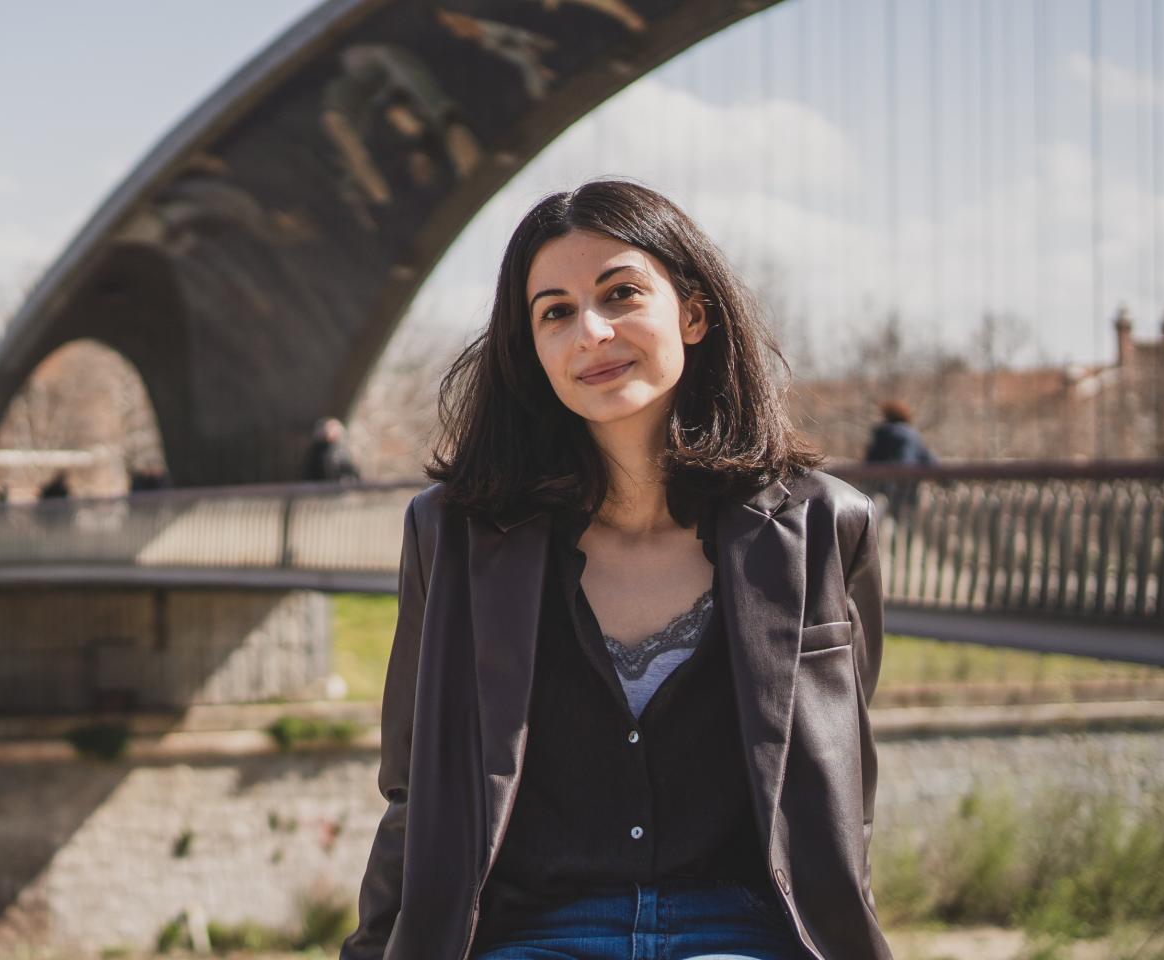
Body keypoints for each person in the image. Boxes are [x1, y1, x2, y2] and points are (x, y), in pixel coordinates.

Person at [341, 181, 890, 960]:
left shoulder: (826, 529)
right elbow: (414, 786)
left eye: (620, 293)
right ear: (533, 350)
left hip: (742, 933)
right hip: (531, 934)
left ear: (693, 314)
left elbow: (840, 786)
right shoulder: (453, 536)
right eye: (555, 312)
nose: (591, 332)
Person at [862, 400, 936, 517]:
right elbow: (930, 461)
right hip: (910, 486)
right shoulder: (913, 434)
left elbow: (870, 461)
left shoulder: (883, 433)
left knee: (883, 518)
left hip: (886, 487)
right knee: (906, 519)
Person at [303, 416, 362, 482]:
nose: (334, 431)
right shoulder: (318, 450)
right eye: (331, 428)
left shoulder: (341, 449)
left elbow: (351, 470)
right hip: (321, 487)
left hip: (335, 487)